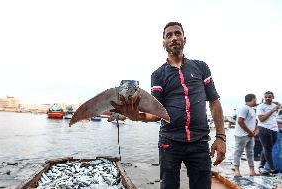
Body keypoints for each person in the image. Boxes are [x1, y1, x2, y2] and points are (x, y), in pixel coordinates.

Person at [110, 22, 226, 189]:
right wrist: (137, 116)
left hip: (200, 141)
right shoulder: (158, 75)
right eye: (168, 35)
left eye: (177, 34)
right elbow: (156, 112)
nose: (174, 38)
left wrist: (221, 137)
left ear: (184, 39)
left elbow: (214, 102)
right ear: (163, 42)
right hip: (169, 142)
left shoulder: (201, 67)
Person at [233, 94, 259, 176]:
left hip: (250, 135)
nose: (256, 101)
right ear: (252, 99)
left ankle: (252, 171)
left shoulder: (252, 109)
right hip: (241, 135)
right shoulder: (244, 108)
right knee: (238, 152)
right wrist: (249, 132)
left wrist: (254, 130)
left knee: (250, 153)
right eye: (255, 99)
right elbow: (240, 121)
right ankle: (236, 171)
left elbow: (252, 122)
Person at [257, 91, 280, 175]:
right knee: (268, 149)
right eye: (266, 97)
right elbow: (261, 119)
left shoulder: (275, 105)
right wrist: (272, 111)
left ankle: (261, 166)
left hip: (274, 129)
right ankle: (273, 169)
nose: (267, 98)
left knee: (267, 148)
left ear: (272, 97)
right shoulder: (261, 106)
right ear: (264, 97)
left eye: (269, 97)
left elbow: (274, 118)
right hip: (264, 128)